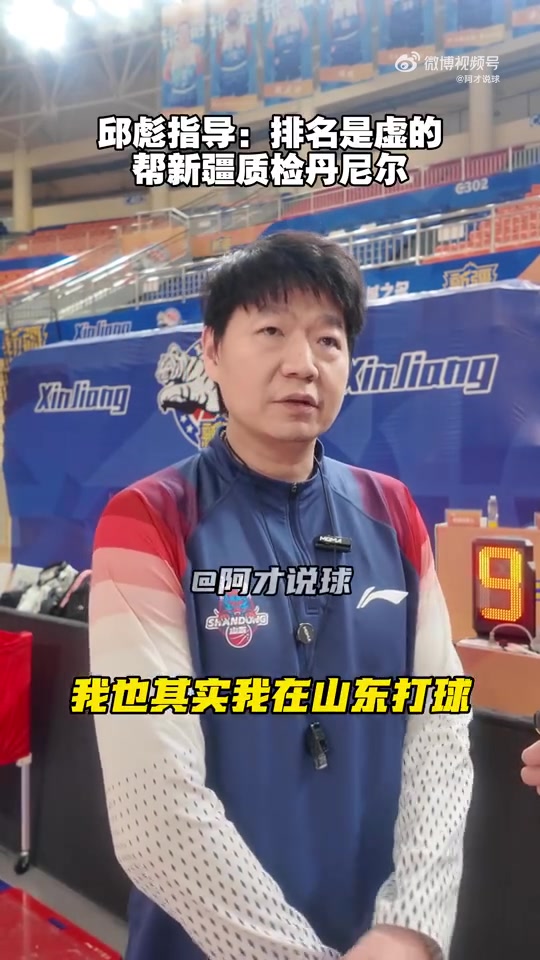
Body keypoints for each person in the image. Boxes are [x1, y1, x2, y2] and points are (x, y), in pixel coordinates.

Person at [89, 231, 474, 960]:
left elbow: (440, 729)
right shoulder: (148, 520)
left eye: (329, 340)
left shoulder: (391, 511)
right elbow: (152, 803)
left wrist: (410, 926)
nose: (304, 363)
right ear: (211, 352)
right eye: (271, 331)